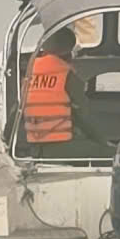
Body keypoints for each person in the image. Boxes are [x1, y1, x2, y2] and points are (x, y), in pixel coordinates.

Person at [22, 23, 84, 152]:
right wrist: (105, 142)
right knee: (109, 153)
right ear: (69, 51)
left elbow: (17, 108)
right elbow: (85, 115)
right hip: (61, 145)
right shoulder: (66, 73)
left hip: (33, 146)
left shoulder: (30, 71)